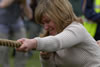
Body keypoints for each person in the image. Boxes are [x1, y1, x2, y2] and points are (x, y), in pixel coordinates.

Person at [16, 0, 100, 67]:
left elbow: (58, 41)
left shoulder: (77, 29)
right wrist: (46, 58)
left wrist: (34, 42)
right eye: (43, 23)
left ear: (60, 15)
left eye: (48, 21)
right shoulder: (50, 40)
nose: (45, 27)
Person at [0, 0, 31, 67]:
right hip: (2, 24)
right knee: (2, 49)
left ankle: (20, 65)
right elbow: (2, 5)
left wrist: (24, 3)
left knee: (23, 46)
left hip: (17, 24)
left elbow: (29, 16)